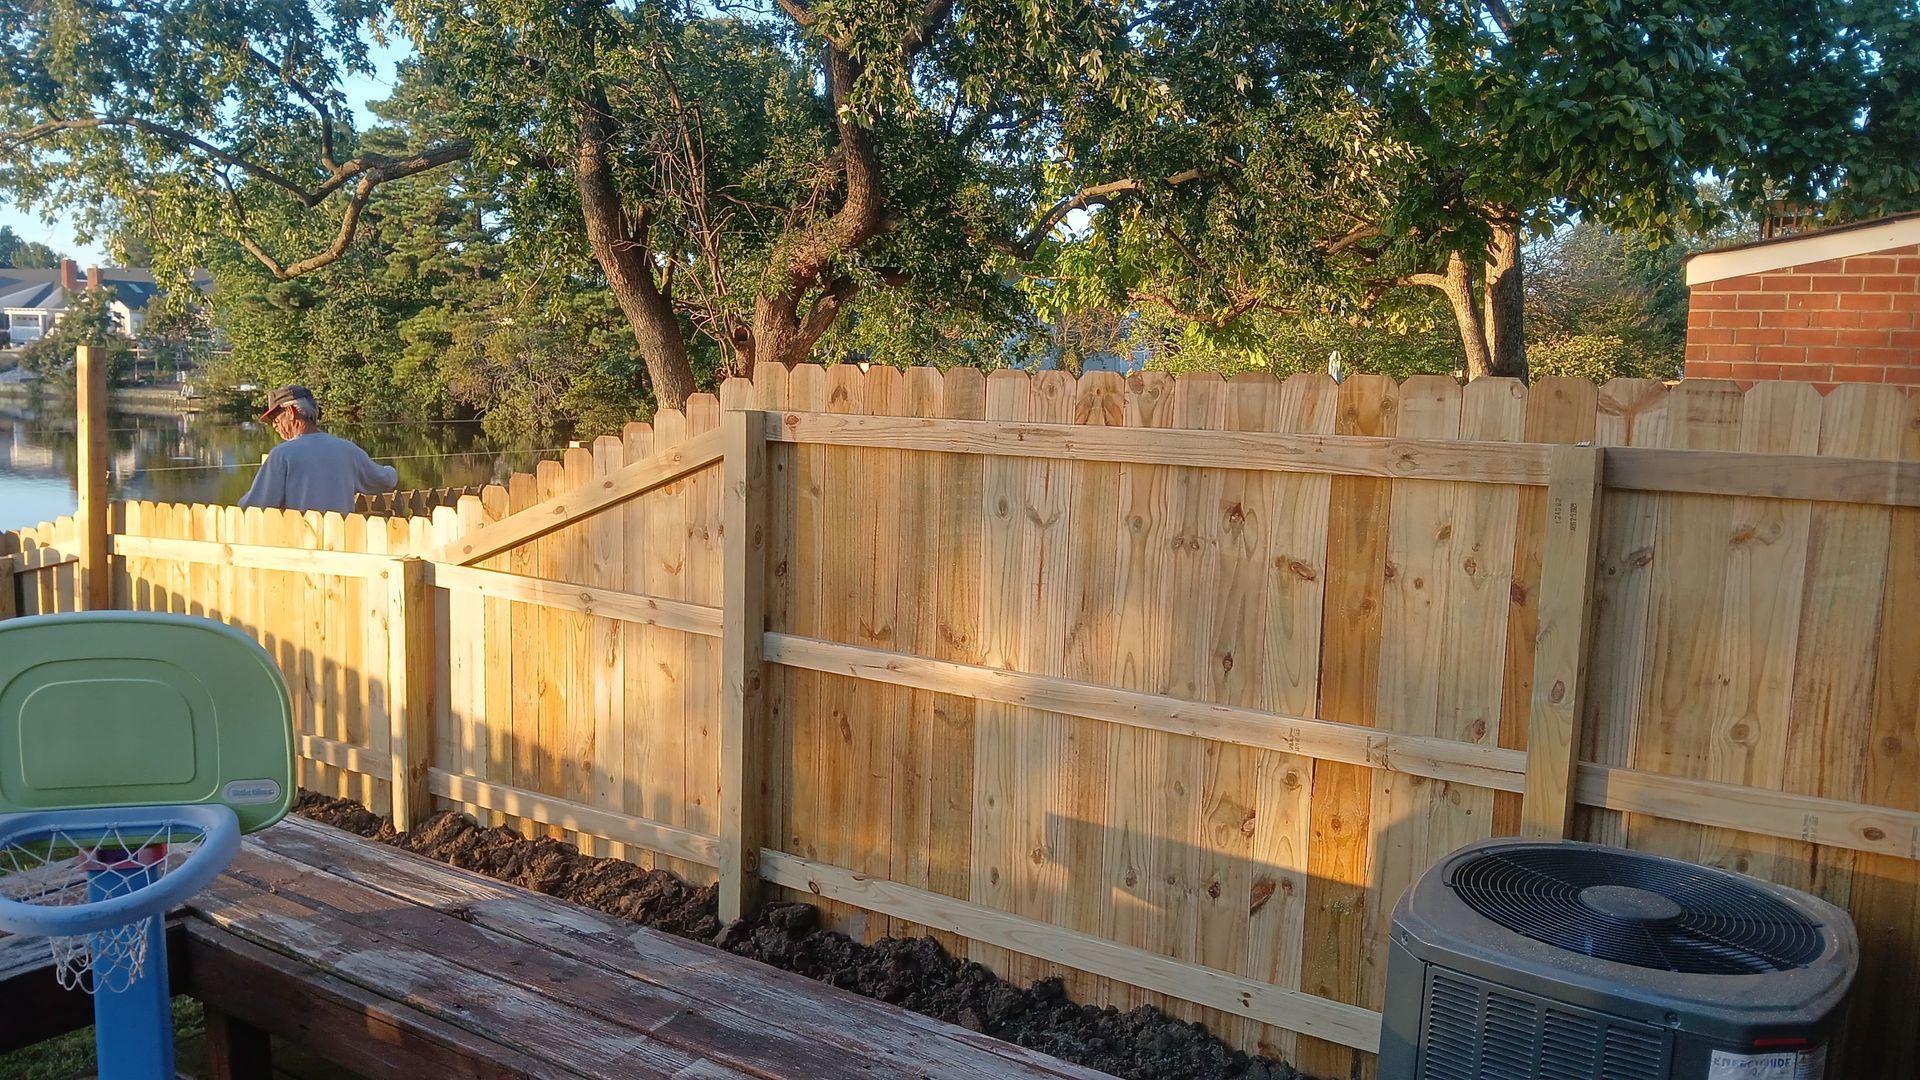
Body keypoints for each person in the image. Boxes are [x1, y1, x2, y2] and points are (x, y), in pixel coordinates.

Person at [237, 385, 398, 514]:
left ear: (291, 412)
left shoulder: (282, 455)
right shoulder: (347, 450)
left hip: (300, 546)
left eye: (275, 417)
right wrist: (391, 470)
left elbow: (255, 506)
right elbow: (384, 480)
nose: (274, 425)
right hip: (341, 543)